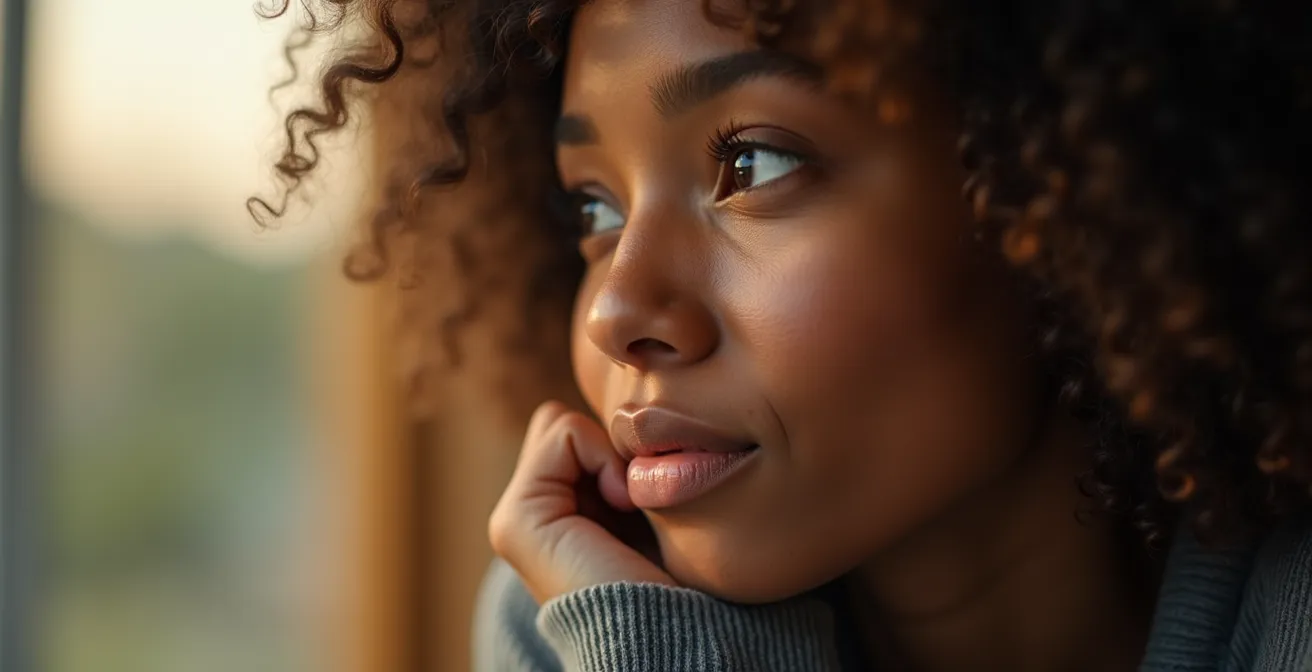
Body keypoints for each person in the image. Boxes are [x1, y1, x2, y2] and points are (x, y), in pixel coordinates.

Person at [253, 0, 1312, 669]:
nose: (619, 311)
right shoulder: (586, 618)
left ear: (1065, 194)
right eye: (593, 210)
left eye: (750, 166)